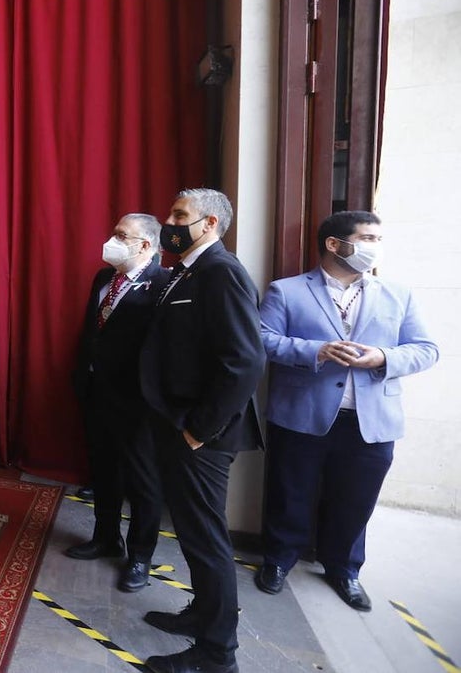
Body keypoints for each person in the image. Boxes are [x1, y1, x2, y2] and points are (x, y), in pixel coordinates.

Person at [255, 211, 437, 610]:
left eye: (378, 238)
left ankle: (345, 568)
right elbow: (263, 341)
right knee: (291, 492)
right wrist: (314, 351)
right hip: (302, 413)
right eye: (367, 237)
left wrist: (383, 357)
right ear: (335, 244)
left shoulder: (398, 294)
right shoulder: (286, 291)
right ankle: (278, 560)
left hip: (372, 420)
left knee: (356, 499)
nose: (375, 246)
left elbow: (426, 349)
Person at [138, 188, 265, 673]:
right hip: (179, 424)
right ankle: (201, 615)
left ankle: (217, 654)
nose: (169, 221)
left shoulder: (221, 272)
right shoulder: (189, 270)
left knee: (208, 539)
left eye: (178, 215)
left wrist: (200, 429)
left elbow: (244, 360)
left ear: (209, 223)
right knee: (192, 534)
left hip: (201, 433)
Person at [65, 214, 168, 593]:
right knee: (103, 472)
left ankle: (140, 555)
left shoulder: (162, 284)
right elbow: (92, 330)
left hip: (138, 401)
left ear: (145, 245)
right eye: (114, 232)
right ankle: (106, 536)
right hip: (97, 392)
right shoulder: (103, 278)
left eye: (122, 235)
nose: (112, 240)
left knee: (143, 481)